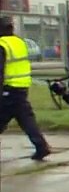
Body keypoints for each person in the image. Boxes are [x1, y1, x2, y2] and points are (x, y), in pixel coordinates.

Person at [0, 15, 52, 161]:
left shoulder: (2, 44)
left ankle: (42, 147)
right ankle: (41, 147)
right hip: (22, 87)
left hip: (8, 89)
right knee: (26, 120)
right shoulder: (19, 42)